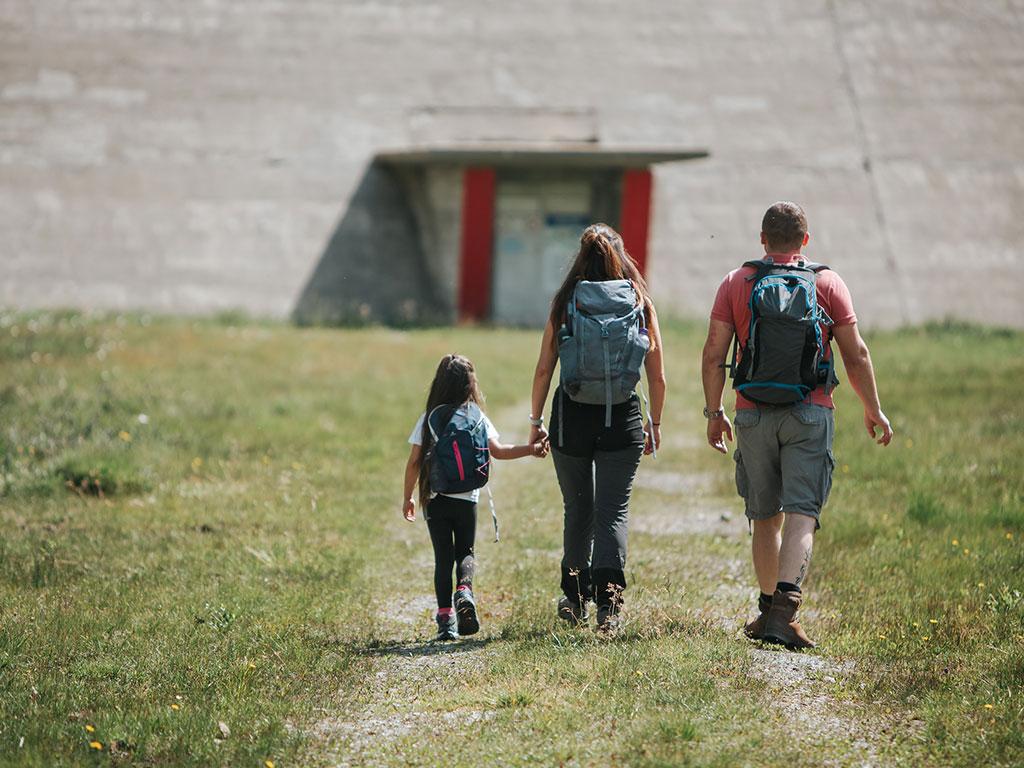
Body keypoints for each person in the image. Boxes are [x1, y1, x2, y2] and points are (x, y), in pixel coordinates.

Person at [701, 201, 892, 649]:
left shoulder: (736, 281)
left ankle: (770, 609)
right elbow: (856, 353)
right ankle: (783, 615)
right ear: (805, 240)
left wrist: (714, 413)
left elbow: (714, 353)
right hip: (811, 409)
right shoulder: (827, 282)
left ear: (762, 239)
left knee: (764, 516)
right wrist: (873, 407)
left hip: (751, 411)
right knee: (801, 513)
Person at [528, 223, 667, 634]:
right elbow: (657, 377)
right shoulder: (640, 302)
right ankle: (609, 607)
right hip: (621, 419)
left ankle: (573, 600)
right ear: (620, 257)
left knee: (579, 510)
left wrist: (536, 422)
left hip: (571, 418)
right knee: (613, 512)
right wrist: (654, 422)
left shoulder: (566, 301)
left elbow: (543, 369)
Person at [402, 354, 548, 641]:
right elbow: (500, 450)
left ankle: (446, 620)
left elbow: (414, 462)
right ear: (470, 386)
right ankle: (464, 591)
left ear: (439, 384)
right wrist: (531, 450)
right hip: (468, 497)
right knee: (465, 552)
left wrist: (408, 496)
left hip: (437, 497)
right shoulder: (476, 416)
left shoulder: (429, 418)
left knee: (443, 558)